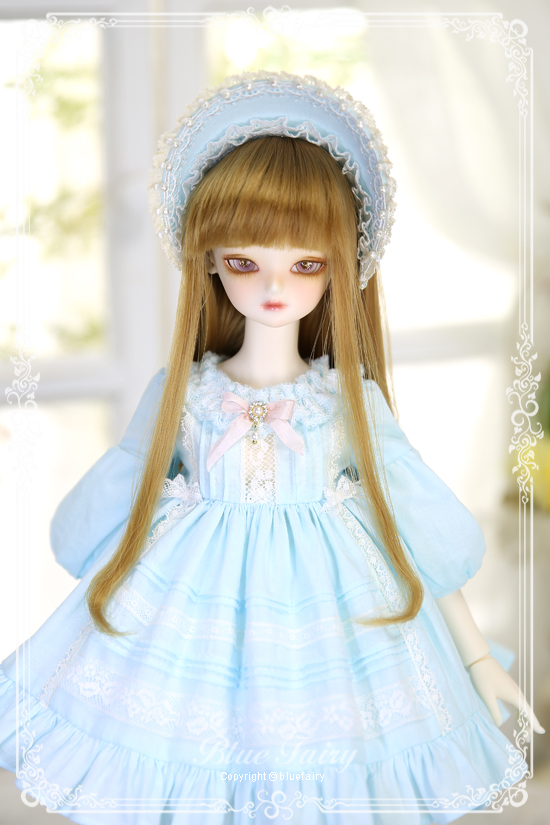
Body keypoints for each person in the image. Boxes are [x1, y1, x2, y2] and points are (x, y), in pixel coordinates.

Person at [0, 70, 543, 824]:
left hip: (330, 611)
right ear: (210, 261)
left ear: (339, 267)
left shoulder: (345, 400)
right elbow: (122, 489)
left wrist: (476, 656)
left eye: (306, 264)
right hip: (194, 604)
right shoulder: (185, 394)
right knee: (194, 759)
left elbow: (411, 520)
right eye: (245, 262)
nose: (275, 287)